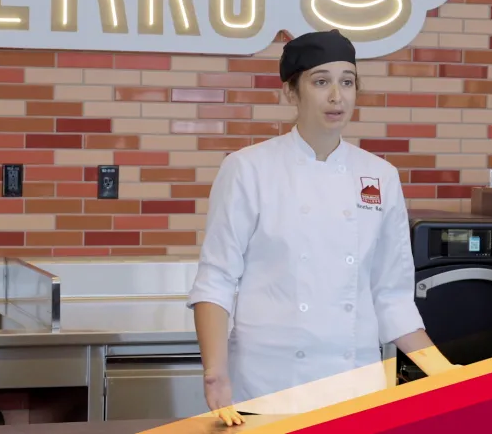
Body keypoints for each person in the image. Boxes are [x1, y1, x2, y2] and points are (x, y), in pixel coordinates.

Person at [186, 30, 459, 426]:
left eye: (347, 82)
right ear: (291, 93)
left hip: (356, 390)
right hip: (269, 388)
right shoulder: (248, 169)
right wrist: (215, 372)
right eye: (321, 82)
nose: (337, 96)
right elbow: (217, 280)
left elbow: (392, 297)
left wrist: (448, 376)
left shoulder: (380, 176)